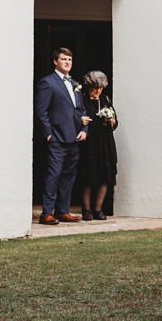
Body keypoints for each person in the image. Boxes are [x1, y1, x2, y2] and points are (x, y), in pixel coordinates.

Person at [34, 47, 90, 225]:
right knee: (53, 175)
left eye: (70, 60)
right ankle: (46, 213)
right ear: (55, 61)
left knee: (69, 175)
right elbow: (41, 111)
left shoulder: (75, 83)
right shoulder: (48, 82)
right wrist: (49, 134)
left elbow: (80, 109)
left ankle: (62, 211)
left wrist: (84, 130)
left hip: (75, 137)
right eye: (64, 59)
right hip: (57, 137)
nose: (67, 62)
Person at [77, 70, 118, 222]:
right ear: (88, 87)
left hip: (105, 142)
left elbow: (115, 122)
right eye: (95, 88)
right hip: (89, 143)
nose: (98, 91)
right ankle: (86, 210)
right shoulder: (82, 100)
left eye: (100, 88)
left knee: (104, 176)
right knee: (86, 176)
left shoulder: (106, 99)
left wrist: (112, 121)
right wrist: (80, 121)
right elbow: (75, 117)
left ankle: (98, 210)